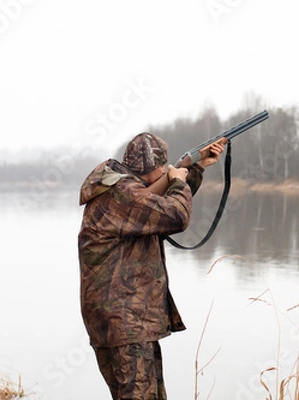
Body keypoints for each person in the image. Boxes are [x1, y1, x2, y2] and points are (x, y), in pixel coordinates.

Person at [78, 132, 223, 399]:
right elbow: (175, 215)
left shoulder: (119, 186)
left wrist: (198, 166)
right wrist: (178, 181)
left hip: (127, 321)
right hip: (125, 323)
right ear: (156, 169)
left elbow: (157, 206)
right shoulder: (122, 193)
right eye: (163, 170)